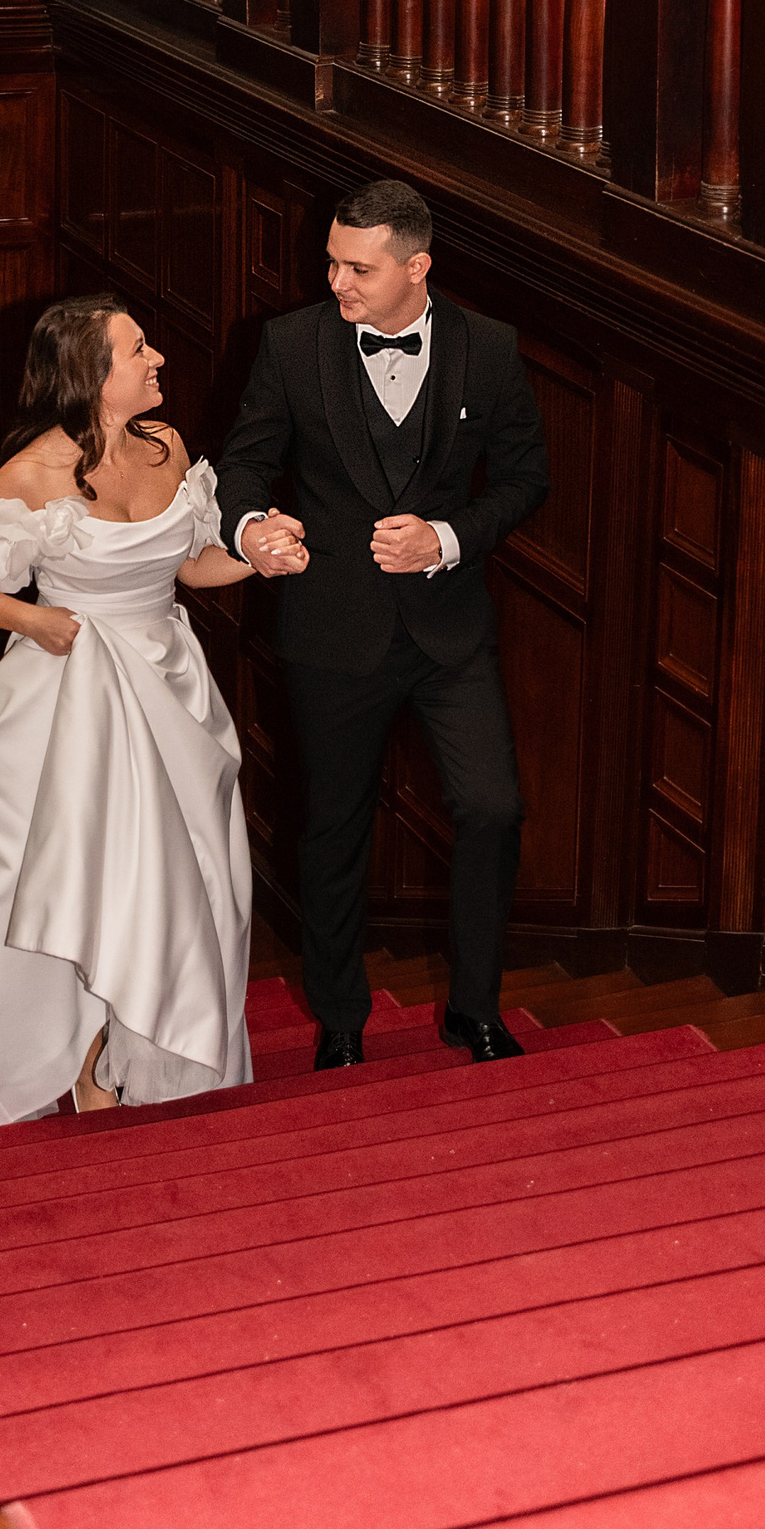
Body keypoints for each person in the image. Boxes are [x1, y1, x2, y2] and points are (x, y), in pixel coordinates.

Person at [0, 295, 302, 1133]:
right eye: (138, 349)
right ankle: (80, 1056)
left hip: (170, 694)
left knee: (188, 884)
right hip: (69, 708)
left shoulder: (167, 447)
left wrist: (256, 559)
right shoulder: (32, 475)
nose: (158, 359)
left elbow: (190, 567)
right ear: (91, 375)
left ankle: (147, 1055)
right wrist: (33, 620)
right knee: (83, 881)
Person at [217, 177, 549, 1070]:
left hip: (450, 632)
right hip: (333, 628)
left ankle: (474, 1009)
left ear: (417, 266)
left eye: (358, 268)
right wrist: (251, 530)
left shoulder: (488, 347)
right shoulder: (291, 345)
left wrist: (448, 536)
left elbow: (526, 477)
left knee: (493, 807)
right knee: (333, 829)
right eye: (332, 262)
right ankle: (340, 1020)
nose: (337, 282)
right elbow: (243, 466)